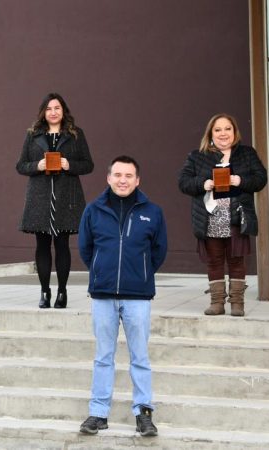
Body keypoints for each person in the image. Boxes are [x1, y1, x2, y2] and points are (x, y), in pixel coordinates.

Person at [78, 155, 167, 437]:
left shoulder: (152, 212)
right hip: (103, 294)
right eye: (118, 175)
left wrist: (139, 274)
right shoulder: (94, 210)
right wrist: (102, 272)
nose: (123, 180)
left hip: (137, 296)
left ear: (137, 180)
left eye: (129, 176)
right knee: (104, 356)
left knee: (139, 356)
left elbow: (158, 251)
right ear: (108, 178)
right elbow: (86, 249)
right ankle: (98, 413)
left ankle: (143, 412)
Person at [177, 113, 267, 316]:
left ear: (234, 132)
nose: (223, 133)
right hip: (209, 218)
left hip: (236, 216)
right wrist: (203, 184)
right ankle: (217, 302)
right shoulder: (197, 155)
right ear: (210, 133)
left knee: (236, 260)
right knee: (214, 260)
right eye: (218, 130)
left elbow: (260, 179)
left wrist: (240, 181)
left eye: (227, 129)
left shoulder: (246, 153)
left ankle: (237, 303)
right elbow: (183, 182)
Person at [17, 92, 93, 309]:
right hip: (39, 197)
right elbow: (21, 165)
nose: (53, 112)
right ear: (43, 112)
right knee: (41, 245)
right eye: (49, 109)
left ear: (63, 111)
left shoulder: (76, 134)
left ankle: (62, 291)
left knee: (62, 244)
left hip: (66, 196)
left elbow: (88, 164)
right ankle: (44, 291)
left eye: (57, 108)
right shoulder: (33, 135)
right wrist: (37, 166)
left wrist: (70, 165)